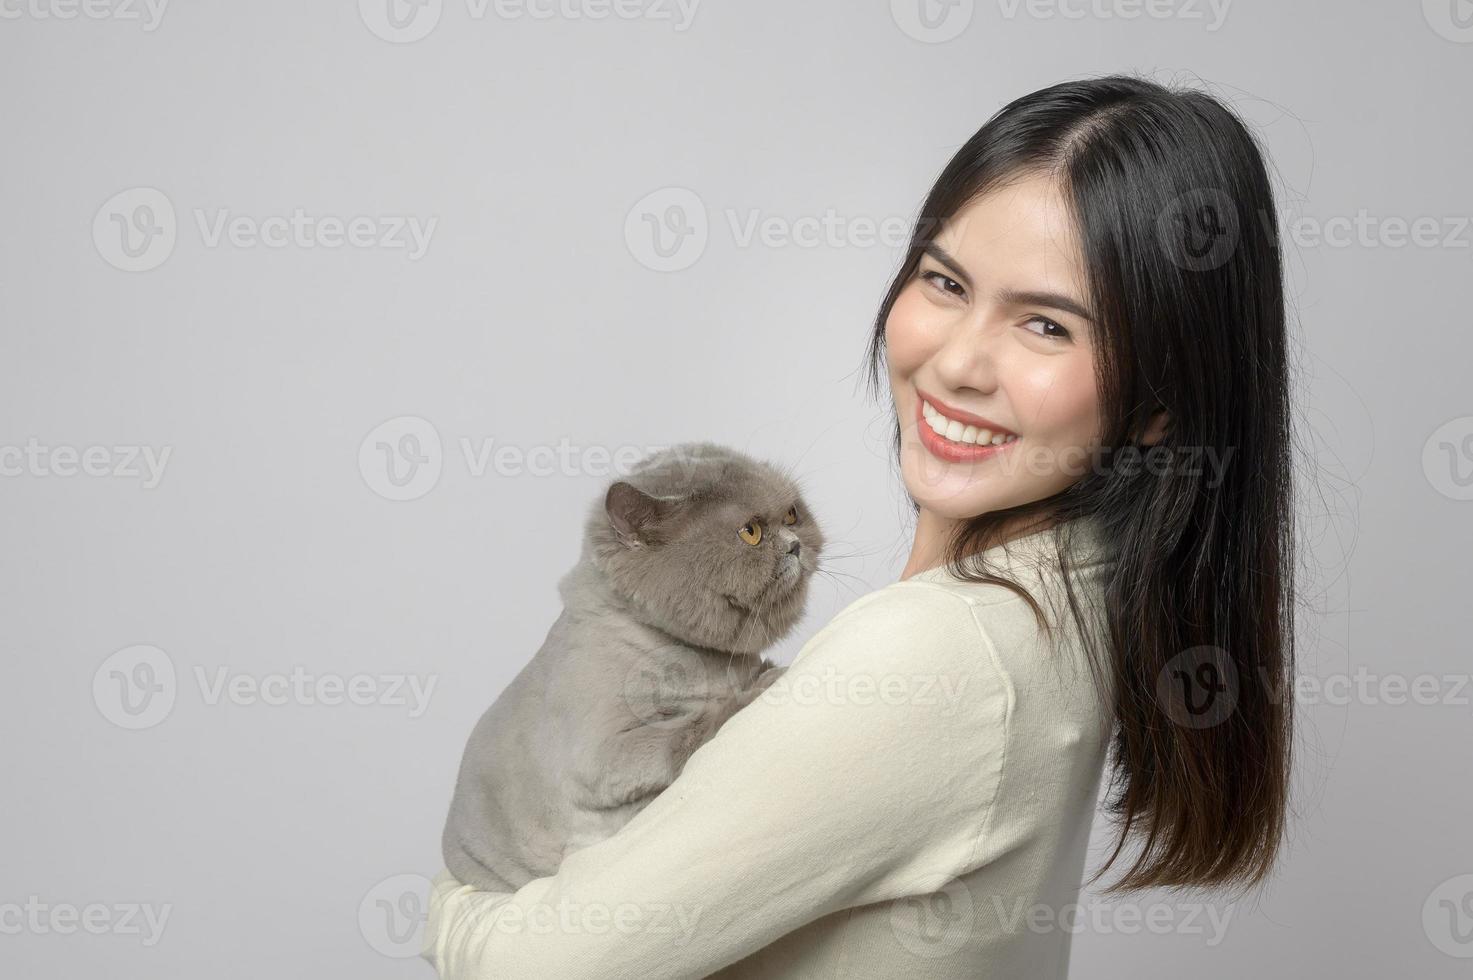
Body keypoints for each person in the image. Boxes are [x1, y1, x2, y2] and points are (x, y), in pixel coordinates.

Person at [420, 72, 1296, 979]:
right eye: (944, 280)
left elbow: (542, 967)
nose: (956, 362)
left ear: (1158, 403)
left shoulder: (933, 657)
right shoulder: (1078, 592)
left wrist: (457, 899)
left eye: (1044, 324)